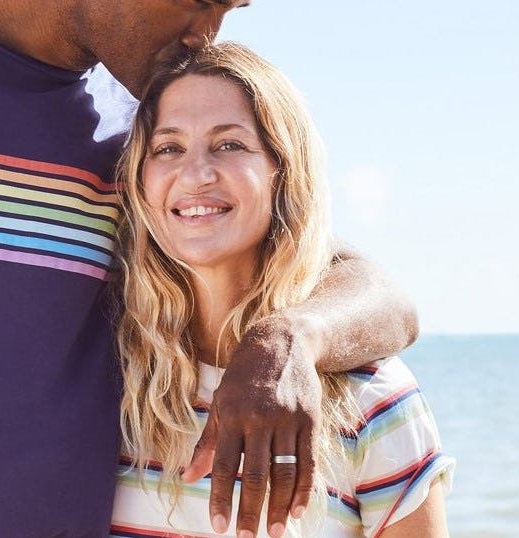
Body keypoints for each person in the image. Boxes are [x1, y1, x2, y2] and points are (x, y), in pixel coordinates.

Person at [0, 1, 418, 535]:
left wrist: (285, 340)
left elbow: (377, 292)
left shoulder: (140, 129)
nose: (206, 35)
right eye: (202, 0)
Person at [111, 42, 455, 538]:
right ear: (140, 182)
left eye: (229, 144)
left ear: (283, 172)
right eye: (168, 148)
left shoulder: (372, 398)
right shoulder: (113, 381)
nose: (196, 173)